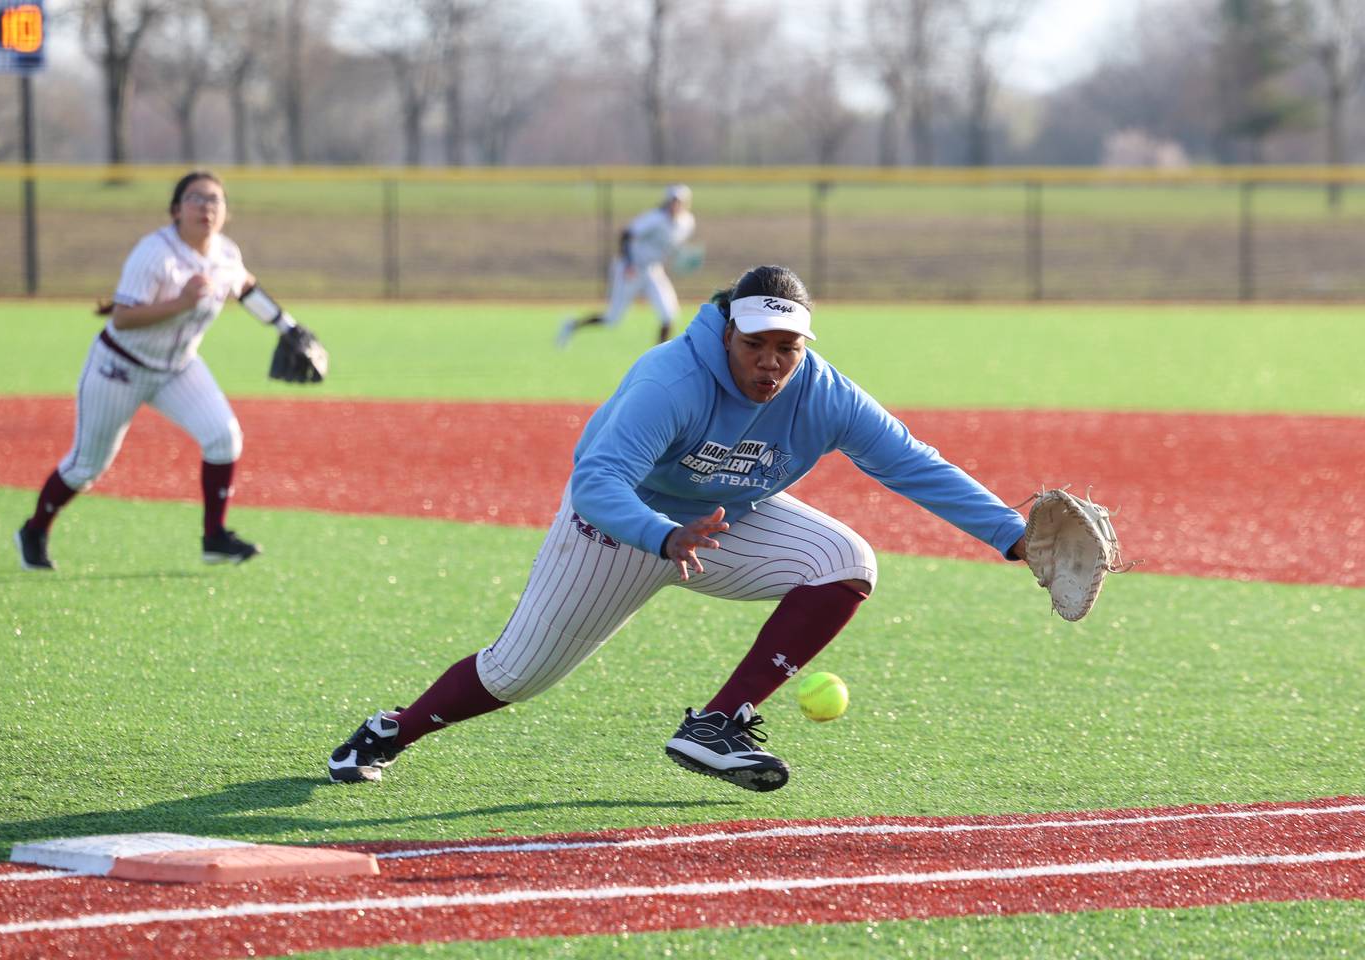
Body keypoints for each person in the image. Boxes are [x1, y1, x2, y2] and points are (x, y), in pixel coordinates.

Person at [330, 264, 1033, 792]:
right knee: (516, 674)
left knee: (844, 560)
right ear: (727, 331)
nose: (771, 361)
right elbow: (597, 481)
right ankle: (392, 730)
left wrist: (1013, 535)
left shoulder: (823, 392)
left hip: (725, 524)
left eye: (788, 346)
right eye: (757, 342)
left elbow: (912, 462)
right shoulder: (673, 380)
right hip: (619, 527)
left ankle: (716, 725)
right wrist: (661, 536)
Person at [14, 170, 306, 571]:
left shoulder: (225, 254)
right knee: (87, 465)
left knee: (224, 437)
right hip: (120, 366)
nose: (206, 207)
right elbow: (122, 319)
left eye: (214, 200)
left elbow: (246, 287)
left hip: (177, 367)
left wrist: (287, 326)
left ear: (226, 212)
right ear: (176, 209)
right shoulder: (155, 254)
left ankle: (214, 538)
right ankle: (34, 530)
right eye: (196, 198)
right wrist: (181, 303)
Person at [556, 184, 697, 348]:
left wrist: (682, 259)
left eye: (679, 201)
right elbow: (626, 235)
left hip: (653, 269)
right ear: (667, 201)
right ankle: (572, 325)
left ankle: (659, 357)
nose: (676, 204)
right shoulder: (655, 218)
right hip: (631, 268)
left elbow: (673, 247)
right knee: (612, 319)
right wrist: (629, 263)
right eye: (673, 200)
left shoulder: (687, 222)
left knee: (669, 314)